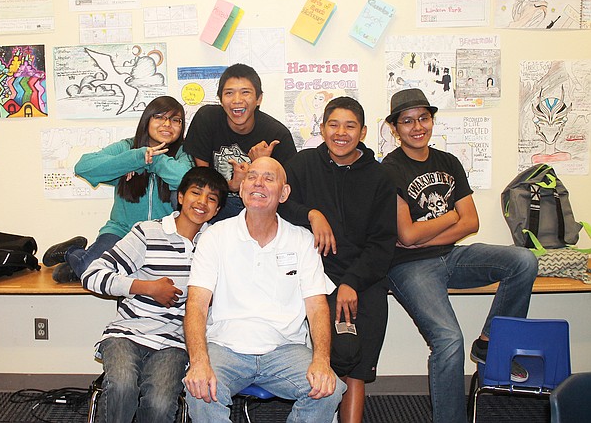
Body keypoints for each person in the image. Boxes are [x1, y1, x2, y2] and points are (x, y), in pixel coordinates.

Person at [380, 88, 538, 423]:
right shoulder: (389, 169)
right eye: (407, 121)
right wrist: (450, 218)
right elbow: (405, 236)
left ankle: (491, 342)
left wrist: (435, 229)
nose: (417, 126)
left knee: (523, 261)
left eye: (423, 118)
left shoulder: (448, 162)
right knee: (449, 338)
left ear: (432, 120)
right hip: (409, 267)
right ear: (395, 129)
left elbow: (471, 221)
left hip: (451, 257)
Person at [183, 157, 346, 422]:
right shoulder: (215, 236)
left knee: (329, 389)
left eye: (269, 178)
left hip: (285, 349)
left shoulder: (302, 240)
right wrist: (199, 361)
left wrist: (321, 361)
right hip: (226, 346)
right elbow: (196, 304)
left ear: (284, 193)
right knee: (201, 390)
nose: (258, 182)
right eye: (252, 176)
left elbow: (316, 307)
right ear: (242, 187)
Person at [280, 97, 397, 423]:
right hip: (317, 276)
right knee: (330, 356)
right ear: (322, 128)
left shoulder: (380, 177)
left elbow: (382, 243)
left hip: (365, 278)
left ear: (362, 131)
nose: (341, 133)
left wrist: (352, 283)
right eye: (334, 125)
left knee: (357, 364)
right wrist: (312, 214)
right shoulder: (303, 164)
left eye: (350, 126)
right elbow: (282, 202)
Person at [81, 167, 228, 423]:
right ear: (180, 197)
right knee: (123, 387)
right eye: (195, 193)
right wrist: (147, 287)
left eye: (212, 198)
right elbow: (92, 275)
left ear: (217, 210)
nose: (202, 202)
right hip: (127, 333)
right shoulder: (148, 232)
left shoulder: (217, 243)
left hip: (174, 342)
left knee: (159, 404)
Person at [43, 96, 194, 282]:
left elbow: (185, 180)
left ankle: (75, 257)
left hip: (161, 236)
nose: (167, 124)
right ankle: (71, 251)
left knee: (65, 274)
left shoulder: (183, 153)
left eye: (175, 120)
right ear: (147, 120)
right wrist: (133, 158)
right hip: (121, 231)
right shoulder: (127, 147)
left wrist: (151, 160)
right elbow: (83, 166)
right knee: (87, 270)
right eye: (159, 117)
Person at [183, 63, 297, 221]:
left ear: (259, 99)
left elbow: (284, 193)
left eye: (245, 92)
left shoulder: (277, 135)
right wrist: (231, 186)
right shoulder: (207, 119)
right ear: (221, 99)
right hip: (214, 203)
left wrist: (262, 163)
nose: (237, 100)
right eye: (229, 93)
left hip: (257, 207)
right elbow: (202, 180)